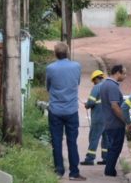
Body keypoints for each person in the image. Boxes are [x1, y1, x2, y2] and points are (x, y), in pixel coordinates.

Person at [45, 42, 86, 181]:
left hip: (55, 110)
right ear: (67, 52)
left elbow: (48, 87)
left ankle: (59, 171)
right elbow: (77, 82)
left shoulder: (50, 68)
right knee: (72, 142)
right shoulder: (76, 66)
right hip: (71, 110)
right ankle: (74, 173)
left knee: (56, 141)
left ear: (55, 53)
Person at [99, 64, 127, 177]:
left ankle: (109, 169)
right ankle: (109, 170)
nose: (125, 76)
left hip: (109, 122)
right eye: (124, 73)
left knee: (112, 147)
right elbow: (115, 106)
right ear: (117, 73)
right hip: (115, 124)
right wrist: (125, 120)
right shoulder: (113, 87)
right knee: (115, 148)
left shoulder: (105, 84)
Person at [80, 69, 108, 165]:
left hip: (98, 116)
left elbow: (91, 102)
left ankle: (90, 158)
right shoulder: (107, 86)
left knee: (94, 137)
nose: (93, 83)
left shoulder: (97, 87)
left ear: (96, 79)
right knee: (106, 138)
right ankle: (106, 158)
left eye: (94, 81)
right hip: (107, 117)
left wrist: (87, 105)